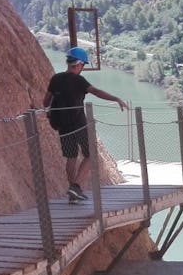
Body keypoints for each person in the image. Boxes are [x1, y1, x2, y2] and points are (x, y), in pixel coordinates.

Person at [43, 47, 128, 203]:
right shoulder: (79, 80)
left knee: (71, 157)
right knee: (91, 155)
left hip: (63, 126)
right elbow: (96, 92)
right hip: (79, 124)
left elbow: (46, 100)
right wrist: (116, 99)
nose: (82, 68)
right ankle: (75, 187)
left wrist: (49, 110)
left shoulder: (56, 79)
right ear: (79, 64)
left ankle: (73, 193)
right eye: (83, 65)